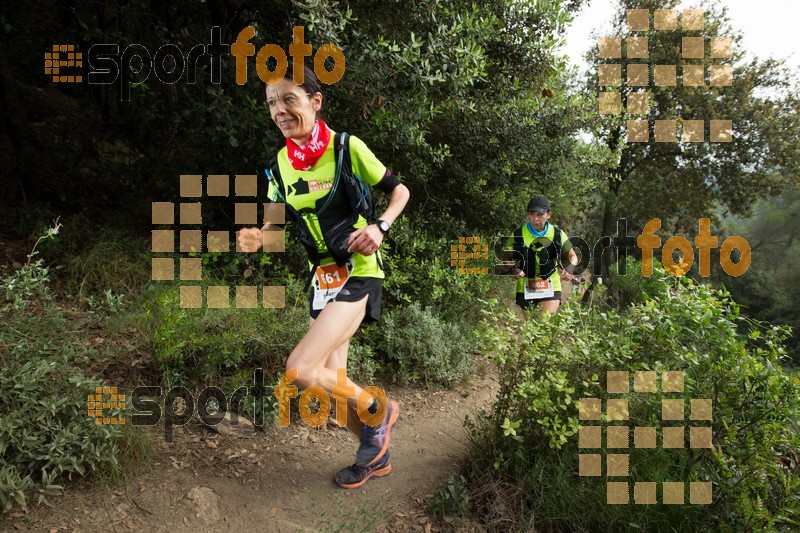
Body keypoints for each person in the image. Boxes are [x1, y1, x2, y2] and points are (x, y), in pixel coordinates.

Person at [237, 63, 410, 489]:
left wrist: (380, 226)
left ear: (316, 102)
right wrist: (260, 236)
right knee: (335, 396)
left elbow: (400, 191)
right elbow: (275, 223)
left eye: (288, 99)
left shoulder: (347, 148)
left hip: (359, 271)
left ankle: (380, 409)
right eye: (271, 103)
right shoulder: (279, 165)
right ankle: (374, 456)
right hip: (323, 280)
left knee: (299, 369)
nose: (279, 110)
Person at [507, 196, 579, 318]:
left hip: (551, 286)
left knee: (543, 323)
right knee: (531, 330)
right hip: (526, 287)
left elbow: (573, 256)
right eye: (532, 214)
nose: (535, 219)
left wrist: (570, 269)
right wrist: (513, 269)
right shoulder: (518, 234)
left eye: (540, 214)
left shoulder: (557, 234)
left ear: (549, 214)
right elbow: (506, 258)